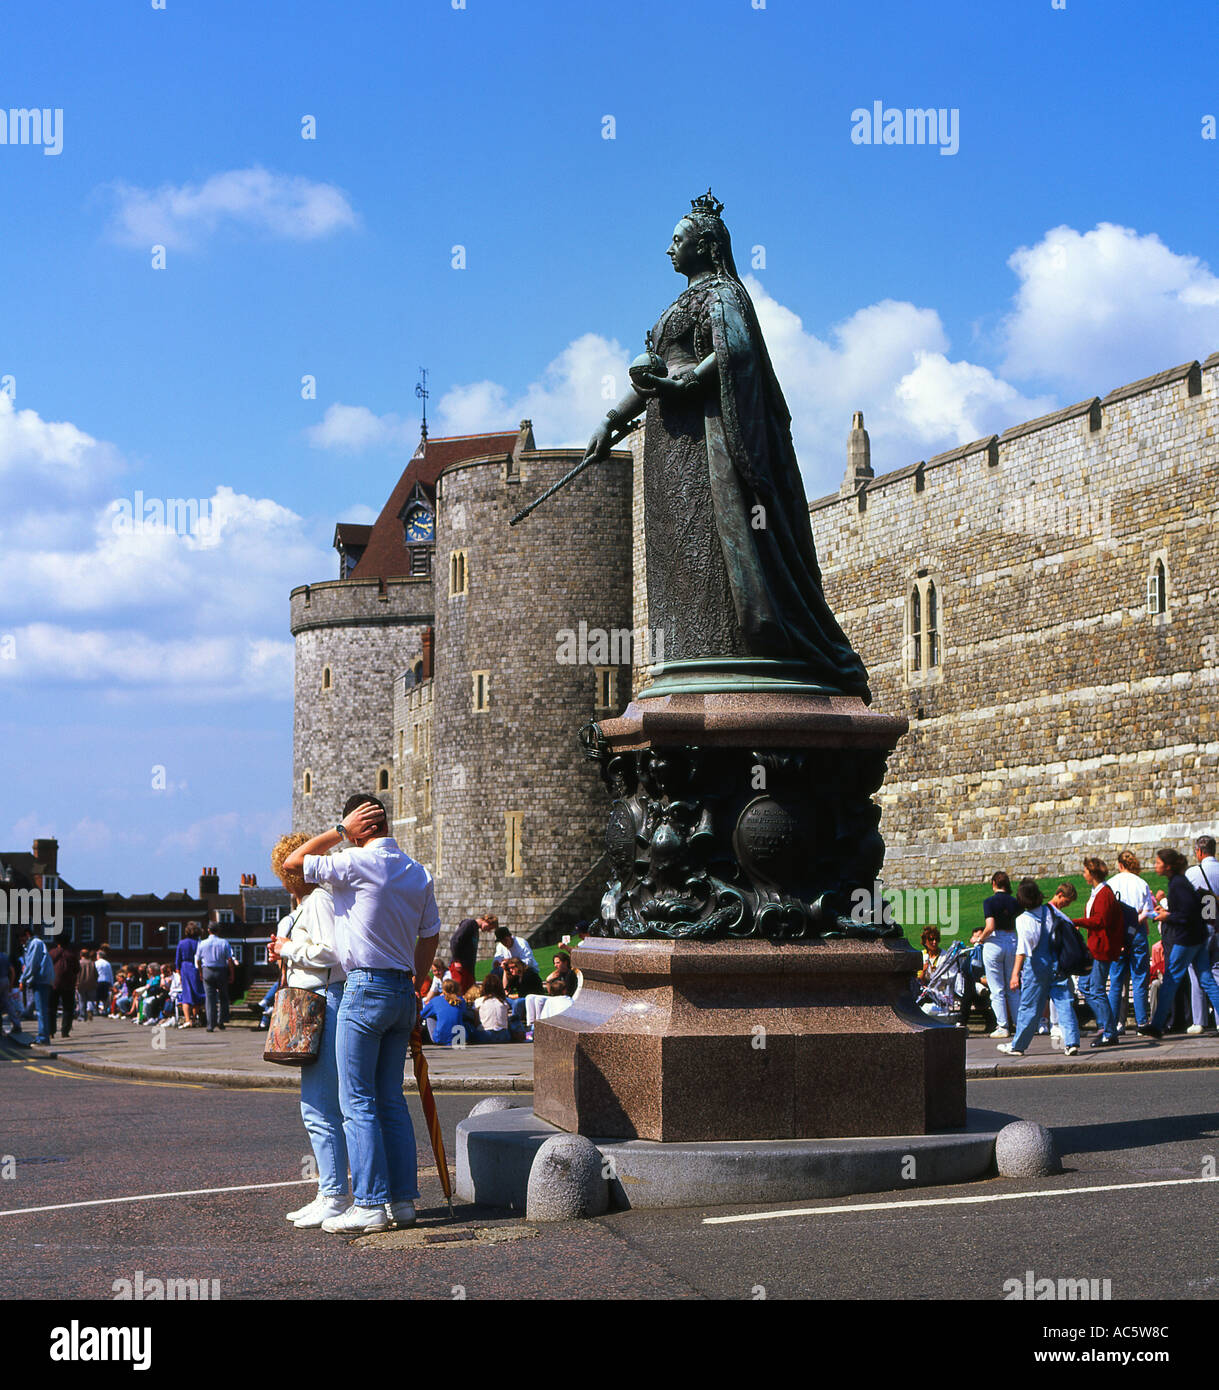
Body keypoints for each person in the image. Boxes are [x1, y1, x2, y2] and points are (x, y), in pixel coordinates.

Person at [580, 191, 869, 697]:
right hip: (668, 448)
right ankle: (691, 652)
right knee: (677, 546)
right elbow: (650, 374)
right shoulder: (676, 305)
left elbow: (734, 351)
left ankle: (743, 642)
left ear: (706, 245)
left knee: (717, 535)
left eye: (678, 240)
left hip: (708, 439)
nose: (668, 249)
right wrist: (609, 420)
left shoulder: (723, 295)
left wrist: (687, 386)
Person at [285, 793, 440, 1234]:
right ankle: (402, 1202)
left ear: (360, 826)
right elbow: (430, 934)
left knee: (357, 1101)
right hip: (401, 989)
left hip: (363, 987)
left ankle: (369, 1204)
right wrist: (417, 981)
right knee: (391, 1099)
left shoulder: (355, 862)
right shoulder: (417, 871)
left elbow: (295, 864)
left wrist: (338, 831)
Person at [270, 831, 351, 1230]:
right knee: (318, 1106)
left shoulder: (318, 900)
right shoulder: (314, 902)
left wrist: (288, 949)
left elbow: (329, 952)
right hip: (317, 1001)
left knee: (319, 1106)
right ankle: (328, 1191)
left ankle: (334, 1194)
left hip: (321, 1002)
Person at [1139, 848, 1219, 1039]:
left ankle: (1157, 1025)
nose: (1155, 866)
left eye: (1158, 862)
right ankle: (1157, 1025)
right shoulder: (1179, 882)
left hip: (1186, 939)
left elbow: (1187, 914)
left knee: (1171, 979)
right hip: (1196, 937)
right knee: (1207, 979)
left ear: (1167, 866)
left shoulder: (1177, 885)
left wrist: (1167, 916)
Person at [998, 879, 1081, 1058]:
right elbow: (1069, 926)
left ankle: (1018, 1045)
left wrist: (1014, 974)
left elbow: (1023, 950)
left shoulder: (1023, 919)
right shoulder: (1051, 911)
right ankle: (1072, 1042)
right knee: (1064, 1004)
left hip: (1036, 968)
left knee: (1029, 1007)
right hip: (1057, 966)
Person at [1073, 858, 1123, 1047]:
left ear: (1092, 873)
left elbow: (1099, 921)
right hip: (1096, 946)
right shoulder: (1098, 892)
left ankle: (1109, 1031)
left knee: (1096, 989)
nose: (1083, 874)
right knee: (1086, 986)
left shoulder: (1104, 894)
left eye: (1085, 871)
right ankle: (1107, 1025)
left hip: (1102, 947)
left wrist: (1076, 921)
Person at [1184, 835, 1219, 1033]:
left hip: (1200, 929)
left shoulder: (1193, 873)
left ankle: (1199, 1020)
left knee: (1197, 974)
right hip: (1218, 928)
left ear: (1199, 851)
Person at [979, 871, 1020, 1038]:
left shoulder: (989, 901)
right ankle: (1019, 1023)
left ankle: (1003, 1026)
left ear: (994, 883)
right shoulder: (1015, 902)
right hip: (1012, 939)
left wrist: (979, 939)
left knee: (997, 988)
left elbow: (990, 926)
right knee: (1013, 987)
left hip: (994, 942)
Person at [195, 922, 233, 1033]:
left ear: (208, 930)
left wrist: (201, 972)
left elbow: (198, 960)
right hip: (221, 970)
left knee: (210, 998)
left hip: (207, 969)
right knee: (223, 997)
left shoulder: (202, 943)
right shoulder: (224, 942)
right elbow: (229, 960)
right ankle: (221, 1021)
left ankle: (210, 1024)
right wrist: (232, 974)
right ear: (218, 930)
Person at [18, 927, 54, 1045]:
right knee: (40, 1009)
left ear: (27, 934)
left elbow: (32, 964)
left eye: (22, 938)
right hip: (40, 980)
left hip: (41, 980)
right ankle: (43, 1036)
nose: (21, 942)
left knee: (41, 1010)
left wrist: (22, 980)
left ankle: (43, 1037)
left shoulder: (35, 943)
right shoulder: (32, 944)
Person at [420, 978, 476, 1046]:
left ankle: (436, 1036)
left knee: (429, 1017)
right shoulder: (461, 1001)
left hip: (440, 1038)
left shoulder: (435, 1000)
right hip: (459, 1038)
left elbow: (422, 1014)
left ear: (443, 990)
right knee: (462, 1016)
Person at [48, 938, 79, 1039]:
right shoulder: (72, 954)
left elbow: (46, 966)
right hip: (68, 985)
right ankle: (65, 1032)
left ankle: (50, 1031)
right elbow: (77, 969)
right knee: (68, 1009)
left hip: (53, 984)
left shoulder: (51, 953)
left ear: (57, 943)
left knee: (51, 1008)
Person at [175, 925, 205, 1028]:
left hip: (185, 967)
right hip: (197, 968)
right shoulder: (199, 943)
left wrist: (178, 971)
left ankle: (187, 1020)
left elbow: (177, 960)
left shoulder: (181, 943)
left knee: (187, 994)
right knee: (197, 993)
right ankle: (194, 1017)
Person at [472, 970, 511, 1043]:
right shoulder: (503, 1002)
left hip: (486, 1035)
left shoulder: (479, 1001)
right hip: (503, 1034)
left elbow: (476, 1022)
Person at [448, 917, 480, 983]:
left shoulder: (475, 929)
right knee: (458, 990)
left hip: (468, 969)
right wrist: (456, 960)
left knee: (470, 991)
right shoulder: (470, 924)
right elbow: (455, 940)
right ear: (488, 921)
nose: (488, 930)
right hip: (460, 967)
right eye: (490, 927)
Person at [76, 949, 98, 1022]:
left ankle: (82, 1016)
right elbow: (96, 974)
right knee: (90, 1000)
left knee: (81, 1001)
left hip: (80, 984)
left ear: (80, 955)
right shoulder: (92, 963)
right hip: (91, 984)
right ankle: (90, 1010)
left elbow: (75, 974)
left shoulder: (78, 963)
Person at [94, 948, 113, 1016]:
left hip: (98, 981)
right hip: (106, 981)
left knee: (97, 997)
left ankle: (96, 1010)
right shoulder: (107, 963)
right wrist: (111, 983)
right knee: (105, 997)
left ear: (99, 956)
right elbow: (110, 973)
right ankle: (105, 1010)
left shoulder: (96, 963)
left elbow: (94, 973)